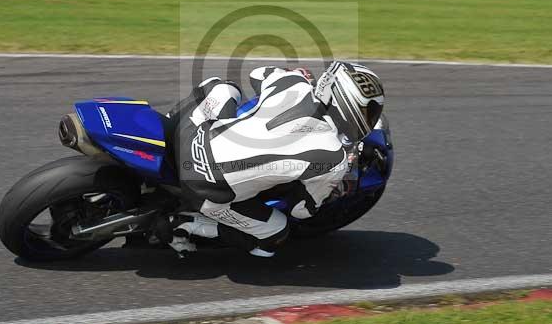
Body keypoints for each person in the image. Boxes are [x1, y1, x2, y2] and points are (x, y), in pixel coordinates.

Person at [159, 61, 384, 257]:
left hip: (192, 135)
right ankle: (185, 224)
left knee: (223, 87)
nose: (368, 121)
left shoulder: (295, 83)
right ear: (346, 102)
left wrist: (294, 73)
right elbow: (301, 210)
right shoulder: (335, 157)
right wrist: (337, 187)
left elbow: (258, 74)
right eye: (367, 113)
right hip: (205, 188)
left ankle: (164, 132)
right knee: (276, 234)